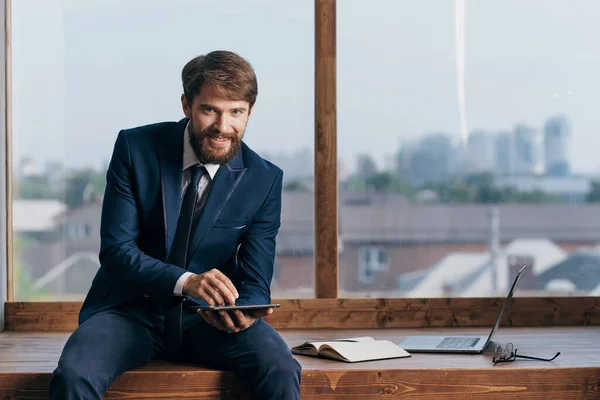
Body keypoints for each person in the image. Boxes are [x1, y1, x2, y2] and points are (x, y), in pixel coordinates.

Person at [48, 50, 302, 400]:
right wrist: (189, 282)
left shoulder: (265, 178)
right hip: (129, 310)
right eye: (210, 110)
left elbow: (257, 280)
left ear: (249, 112)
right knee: (74, 375)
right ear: (186, 105)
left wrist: (246, 310)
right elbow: (117, 251)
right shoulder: (134, 148)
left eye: (236, 112)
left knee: (282, 368)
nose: (223, 127)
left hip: (210, 321)